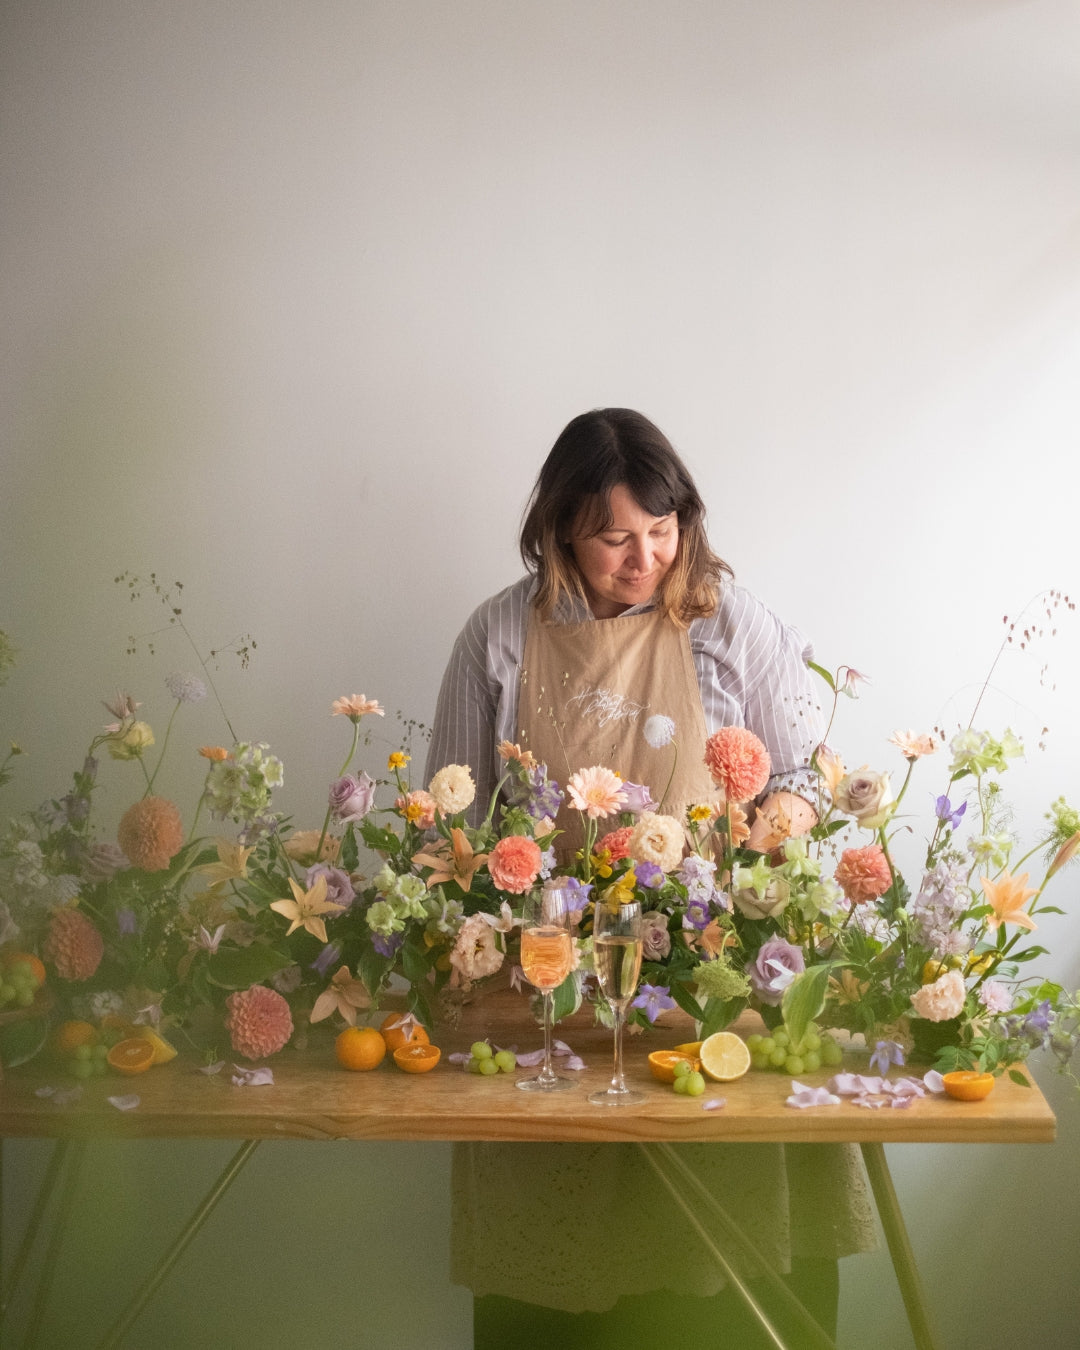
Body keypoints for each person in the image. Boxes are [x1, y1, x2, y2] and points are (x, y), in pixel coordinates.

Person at [427, 409, 874, 1349]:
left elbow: (802, 772)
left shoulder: (731, 621)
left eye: (662, 532)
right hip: (550, 982)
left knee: (722, 1256)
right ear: (557, 533)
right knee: (562, 1269)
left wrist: (770, 826)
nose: (646, 561)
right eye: (614, 539)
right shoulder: (498, 638)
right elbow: (452, 825)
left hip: (706, 979)